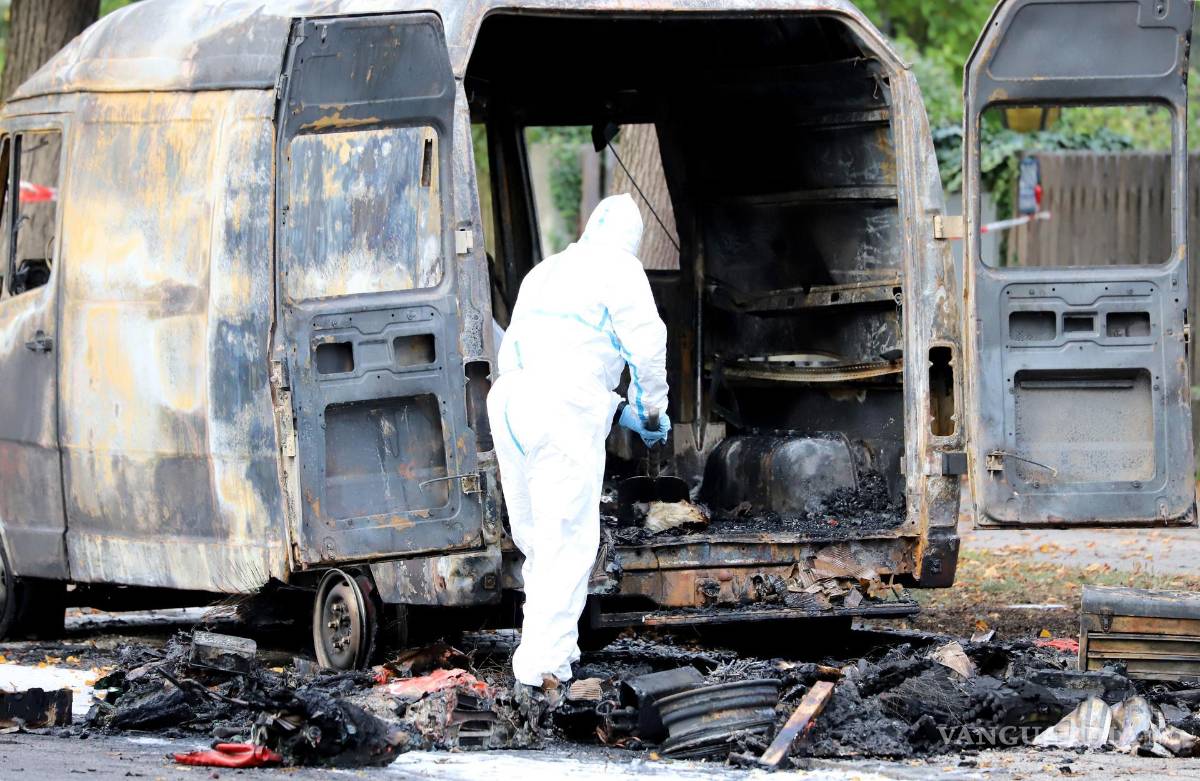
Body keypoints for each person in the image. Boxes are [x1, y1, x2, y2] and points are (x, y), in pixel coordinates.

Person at [487, 193, 669, 711]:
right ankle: (543, 674)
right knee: (566, 541)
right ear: (630, 243)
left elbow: (556, 356)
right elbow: (647, 345)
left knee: (540, 541)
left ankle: (542, 655)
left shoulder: (545, 272)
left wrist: (615, 410)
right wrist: (650, 411)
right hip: (558, 409)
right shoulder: (620, 269)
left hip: (510, 403)